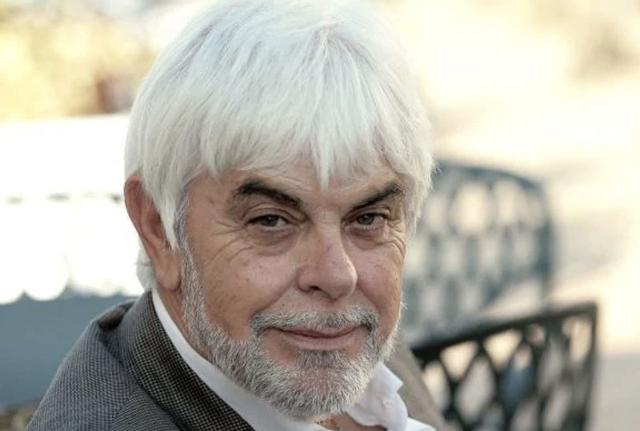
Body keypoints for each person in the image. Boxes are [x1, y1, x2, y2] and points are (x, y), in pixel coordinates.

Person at [28, 0, 447, 429]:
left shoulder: (339, 339)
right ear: (159, 230)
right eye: (271, 220)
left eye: (369, 218)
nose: (338, 276)